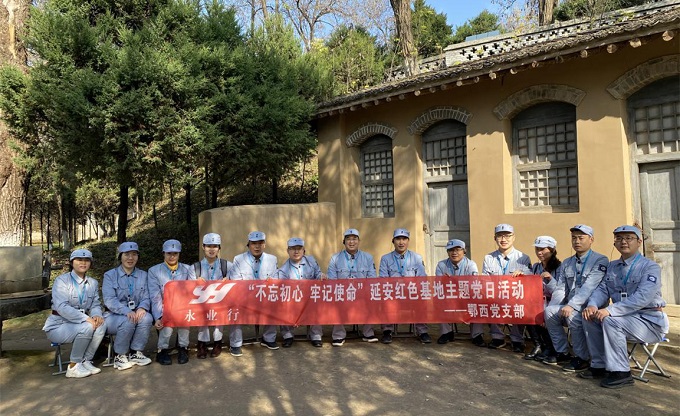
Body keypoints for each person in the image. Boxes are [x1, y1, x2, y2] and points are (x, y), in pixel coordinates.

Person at [582, 225, 669, 388]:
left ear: (639, 242)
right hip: (624, 318)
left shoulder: (650, 267)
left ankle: (621, 372)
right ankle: (600, 365)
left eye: (629, 238)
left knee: (611, 321)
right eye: (619, 238)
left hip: (649, 320)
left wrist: (610, 310)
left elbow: (643, 297)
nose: (623, 242)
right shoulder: (612, 266)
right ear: (614, 243)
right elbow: (602, 289)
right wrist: (592, 305)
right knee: (589, 317)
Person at [543, 225, 608, 370]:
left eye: (581, 238)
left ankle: (582, 357)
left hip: (590, 307)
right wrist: (554, 306)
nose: (577, 241)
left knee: (573, 316)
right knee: (549, 312)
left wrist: (571, 305)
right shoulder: (567, 262)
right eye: (574, 238)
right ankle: (562, 352)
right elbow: (561, 288)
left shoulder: (600, 260)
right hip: (570, 306)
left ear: (591, 240)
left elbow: (589, 287)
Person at [43, 249, 107, 378]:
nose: (83, 263)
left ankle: (86, 360)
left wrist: (97, 315)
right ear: (72, 262)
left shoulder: (93, 283)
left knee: (101, 325)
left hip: (81, 323)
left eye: (87, 260)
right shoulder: (62, 281)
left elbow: (95, 303)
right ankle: (73, 366)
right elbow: (62, 307)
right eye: (79, 260)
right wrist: (85, 318)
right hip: (59, 325)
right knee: (87, 327)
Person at [477, 224, 531, 352]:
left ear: (513, 238)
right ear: (494, 238)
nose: (503, 239)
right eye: (500, 236)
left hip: (515, 296)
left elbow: (529, 278)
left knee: (520, 305)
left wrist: (523, 275)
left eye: (507, 236)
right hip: (495, 295)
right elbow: (486, 279)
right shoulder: (489, 258)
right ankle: (497, 338)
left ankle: (517, 339)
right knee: (488, 302)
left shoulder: (523, 258)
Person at [103, 242, 153, 370]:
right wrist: (126, 311)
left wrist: (142, 307)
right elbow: (109, 300)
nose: (130, 258)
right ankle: (120, 355)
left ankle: (136, 352)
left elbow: (147, 296)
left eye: (134, 254)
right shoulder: (110, 275)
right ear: (120, 256)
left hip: (135, 311)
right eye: (126, 254)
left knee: (147, 318)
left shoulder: (143, 275)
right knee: (128, 320)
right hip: (113, 315)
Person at [229, 231, 279, 355]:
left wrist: (271, 281)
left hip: (264, 296)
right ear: (249, 245)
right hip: (244, 297)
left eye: (260, 243)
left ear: (264, 245)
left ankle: (268, 338)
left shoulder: (272, 259)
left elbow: (276, 279)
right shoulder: (239, 259)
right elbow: (235, 280)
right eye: (253, 243)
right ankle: (235, 343)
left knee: (274, 302)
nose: (257, 246)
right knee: (235, 308)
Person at [148, 239, 196, 365]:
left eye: (175, 253)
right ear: (163, 253)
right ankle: (162, 350)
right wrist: (158, 316)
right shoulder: (154, 271)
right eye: (169, 253)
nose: (172, 256)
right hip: (164, 306)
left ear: (179, 254)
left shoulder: (188, 269)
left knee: (184, 318)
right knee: (166, 323)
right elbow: (155, 296)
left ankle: (183, 347)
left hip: (183, 306)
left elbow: (192, 290)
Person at [327, 228, 378, 344]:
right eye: (348, 239)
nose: (351, 242)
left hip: (362, 293)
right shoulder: (335, 258)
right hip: (342, 293)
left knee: (372, 298)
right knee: (336, 300)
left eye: (354, 239)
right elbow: (332, 280)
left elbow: (372, 278)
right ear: (344, 242)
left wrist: (363, 291)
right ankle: (338, 335)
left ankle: (368, 333)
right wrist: (341, 291)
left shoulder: (368, 258)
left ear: (359, 241)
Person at [378, 228, 430, 344]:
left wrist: (412, 290)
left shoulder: (416, 258)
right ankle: (387, 331)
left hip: (412, 293)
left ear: (408, 241)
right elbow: (383, 279)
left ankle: (422, 331)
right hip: (393, 293)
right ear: (393, 241)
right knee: (385, 298)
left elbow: (422, 277)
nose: (401, 242)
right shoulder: (385, 258)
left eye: (404, 239)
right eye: (398, 239)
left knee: (422, 299)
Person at [274, 238, 324, 347]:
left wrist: (321, 276)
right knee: (282, 304)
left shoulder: (311, 261)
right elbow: (282, 287)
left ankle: (316, 336)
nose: (296, 252)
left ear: (303, 250)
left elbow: (318, 274)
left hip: (310, 298)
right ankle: (287, 335)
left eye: (299, 249)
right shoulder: (283, 269)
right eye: (293, 249)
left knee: (317, 302)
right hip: (293, 299)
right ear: (288, 251)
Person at [193, 233, 232, 359]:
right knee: (202, 316)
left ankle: (217, 342)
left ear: (219, 248)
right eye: (208, 246)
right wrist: (195, 282)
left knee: (219, 317)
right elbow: (188, 287)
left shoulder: (227, 265)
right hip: (202, 301)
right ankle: (201, 344)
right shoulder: (195, 267)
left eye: (215, 246)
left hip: (221, 300)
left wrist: (229, 280)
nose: (211, 249)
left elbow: (236, 282)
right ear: (203, 247)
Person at [434, 239, 479, 344]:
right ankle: (446, 333)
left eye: (458, 250)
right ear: (447, 252)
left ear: (464, 251)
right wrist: (444, 281)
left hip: (467, 297)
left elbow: (473, 284)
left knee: (478, 301)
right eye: (451, 250)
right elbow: (438, 284)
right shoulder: (441, 265)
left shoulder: (471, 264)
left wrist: (453, 280)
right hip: (449, 297)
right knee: (439, 299)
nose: (454, 253)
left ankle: (477, 335)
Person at [523, 236, 560, 361]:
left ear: (552, 250)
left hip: (554, 302)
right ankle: (538, 345)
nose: (539, 252)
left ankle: (550, 347)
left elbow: (559, 291)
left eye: (543, 249)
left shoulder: (560, 267)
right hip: (538, 301)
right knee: (527, 310)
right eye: (537, 249)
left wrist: (550, 279)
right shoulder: (536, 267)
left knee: (543, 313)